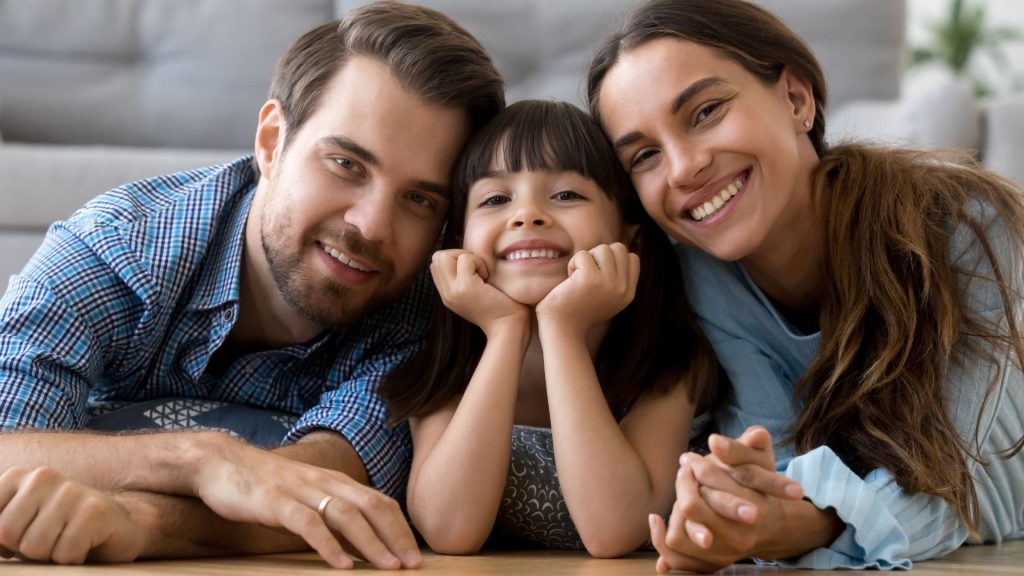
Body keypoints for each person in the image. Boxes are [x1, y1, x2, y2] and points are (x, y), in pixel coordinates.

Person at [0, 1, 504, 568]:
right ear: (270, 142)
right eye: (345, 164)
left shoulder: (428, 312)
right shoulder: (118, 248)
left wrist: (136, 521)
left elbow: (330, 487)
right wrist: (197, 460)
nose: (371, 226)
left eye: (418, 199)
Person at [586, 0, 1024, 571]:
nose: (682, 168)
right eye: (644, 155)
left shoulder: (966, 226)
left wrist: (791, 525)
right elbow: (778, 469)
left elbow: (964, 485)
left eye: (706, 111)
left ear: (796, 99)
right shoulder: (702, 277)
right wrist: (736, 512)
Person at [378, 100, 718, 558]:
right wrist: (504, 331)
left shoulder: (669, 364)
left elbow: (614, 531)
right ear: (457, 243)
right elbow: (450, 530)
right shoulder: (445, 364)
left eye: (566, 195)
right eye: (496, 199)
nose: (527, 216)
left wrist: (561, 330)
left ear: (629, 235)